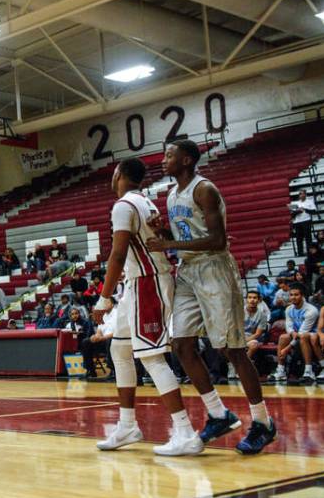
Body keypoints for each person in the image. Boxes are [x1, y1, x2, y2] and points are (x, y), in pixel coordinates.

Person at [147, 139, 275, 454]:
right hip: (188, 272)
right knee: (182, 345)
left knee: (231, 350)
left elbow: (217, 241)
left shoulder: (205, 189)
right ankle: (218, 413)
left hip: (215, 270)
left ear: (187, 160)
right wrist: (165, 235)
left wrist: (169, 246)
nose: (164, 160)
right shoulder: (173, 194)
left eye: (169, 155)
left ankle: (263, 422)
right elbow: (187, 235)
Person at [93, 158, 202, 456]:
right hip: (139, 283)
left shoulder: (123, 206)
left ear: (119, 175)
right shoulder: (147, 203)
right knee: (119, 350)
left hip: (147, 282)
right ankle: (127, 425)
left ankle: (185, 432)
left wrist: (103, 298)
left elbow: (117, 254)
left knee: (152, 358)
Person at [270, 283, 322, 383]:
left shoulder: (311, 310)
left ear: (302, 296)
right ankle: (280, 371)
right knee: (283, 337)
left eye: (296, 295)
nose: (293, 297)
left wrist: (287, 348)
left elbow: (303, 331)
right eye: (291, 295)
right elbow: (288, 327)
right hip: (297, 334)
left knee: (303, 336)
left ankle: (308, 371)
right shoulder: (289, 309)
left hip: (312, 335)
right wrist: (292, 332)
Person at [239, 291, 270, 377]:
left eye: (254, 298)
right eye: (249, 297)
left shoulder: (262, 315)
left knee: (254, 345)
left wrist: (244, 341)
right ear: (246, 300)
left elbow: (257, 334)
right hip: (238, 336)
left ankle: (241, 368)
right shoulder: (239, 312)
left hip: (252, 338)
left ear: (259, 300)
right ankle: (231, 366)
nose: (252, 300)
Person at [81, 307, 114, 378]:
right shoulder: (103, 317)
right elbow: (99, 332)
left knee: (110, 340)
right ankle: (90, 370)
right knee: (86, 342)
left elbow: (117, 333)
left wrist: (102, 337)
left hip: (113, 340)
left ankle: (113, 371)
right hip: (103, 340)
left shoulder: (116, 314)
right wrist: (95, 337)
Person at [289, 190, 316, 256]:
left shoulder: (310, 202)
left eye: (303, 194)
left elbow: (314, 211)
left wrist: (305, 209)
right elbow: (292, 214)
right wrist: (298, 211)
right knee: (299, 238)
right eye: (300, 194)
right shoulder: (296, 203)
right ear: (299, 195)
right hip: (298, 222)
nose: (302, 195)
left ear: (305, 195)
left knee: (308, 237)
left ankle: (309, 252)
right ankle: (300, 252)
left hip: (306, 220)